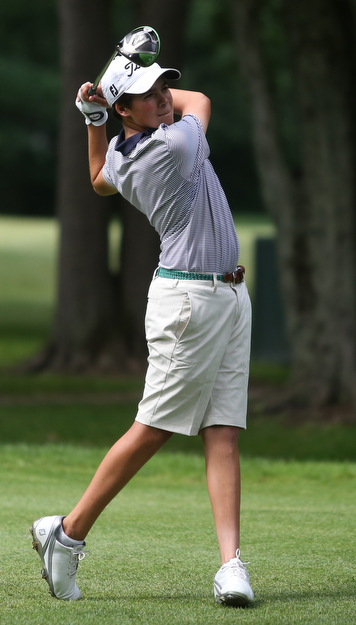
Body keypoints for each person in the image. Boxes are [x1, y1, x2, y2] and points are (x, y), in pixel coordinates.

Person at [30, 51, 254, 608]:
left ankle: (231, 566)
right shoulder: (175, 144)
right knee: (154, 427)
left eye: (163, 90)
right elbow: (199, 100)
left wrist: (97, 119)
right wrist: (114, 103)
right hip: (191, 303)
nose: (163, 99)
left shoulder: (127, 152)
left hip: (227, 294)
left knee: (222, 430)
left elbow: (98, 178)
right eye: (149, 95)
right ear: (129, 110)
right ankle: (69, 533)